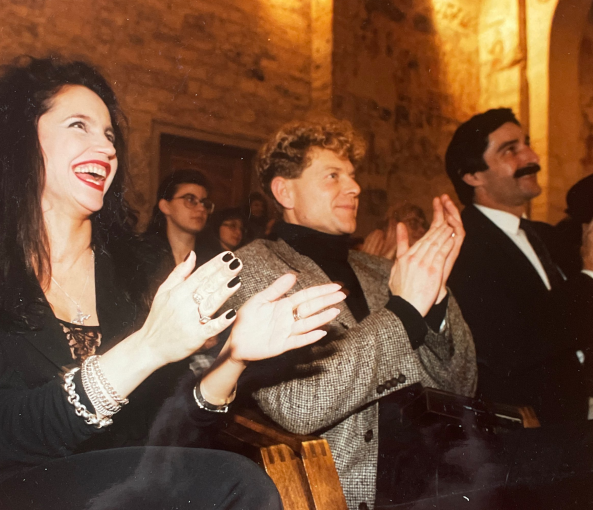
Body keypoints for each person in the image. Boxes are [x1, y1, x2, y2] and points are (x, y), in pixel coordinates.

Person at [0, 56, 346, 509]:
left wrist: (234, 359)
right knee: (235, 482)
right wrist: (147, 347)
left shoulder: (137, 270)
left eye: (109, 135)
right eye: (79, 126)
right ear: (23, 138)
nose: (105, 147)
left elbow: (169, 433)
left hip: (123, 492)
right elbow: (12, 433)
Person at [224, 118, 477, 510]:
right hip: (348, 492)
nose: (355, 187)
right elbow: (299, 405)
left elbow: (463, 384)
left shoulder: (381, 269)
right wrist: (404, 312)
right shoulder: (253, 268)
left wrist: (437, 297)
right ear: (284, 191)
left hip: (439, 480)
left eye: (353, 175)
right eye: (333, 175)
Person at [445, 108, 593, 424]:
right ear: (473, 176)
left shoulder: (548, 237)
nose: (532, 157)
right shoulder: (462, 247)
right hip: (528, 430)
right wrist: (589, 274)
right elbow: (511, 345)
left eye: (526, 144)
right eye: (510, 150)